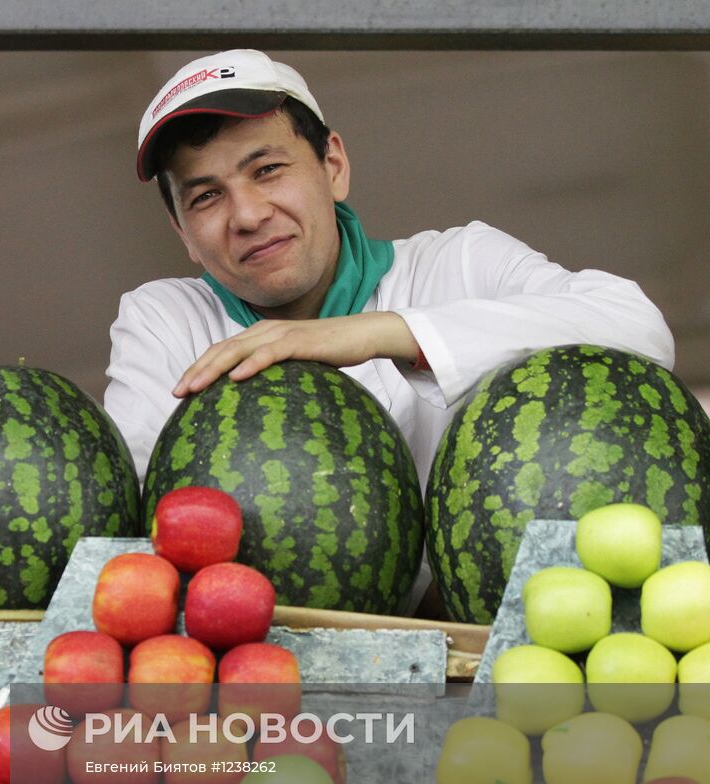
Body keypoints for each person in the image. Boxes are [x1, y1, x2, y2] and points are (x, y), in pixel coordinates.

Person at [105, 49, 676, 491]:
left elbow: (638, 328)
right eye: (206, 198)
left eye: (269, 169)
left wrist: (380, 332)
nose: (249, 215)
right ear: (182, 233)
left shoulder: (460, 262)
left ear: (333, 165)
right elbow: (137, 502)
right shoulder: (165, 320)